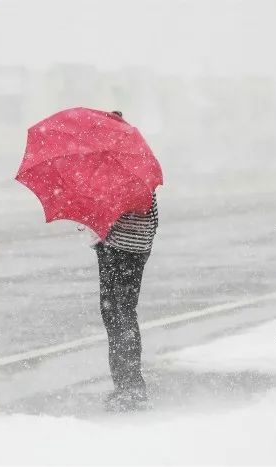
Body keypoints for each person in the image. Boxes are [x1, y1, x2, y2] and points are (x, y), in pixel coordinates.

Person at [92, 111, 159, 411]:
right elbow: (152, 219)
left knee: (116, 316)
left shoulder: (108, 173)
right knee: (123, 314)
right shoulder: (138, 168)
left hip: (116, 251)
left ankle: (129, 387)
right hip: (136, 251)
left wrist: (100, 235)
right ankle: (129, 384)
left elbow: (102, 218)